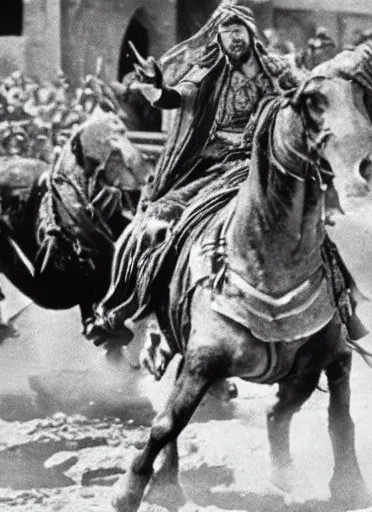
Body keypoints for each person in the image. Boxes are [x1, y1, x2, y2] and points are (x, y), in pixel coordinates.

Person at [84, 0, 300, 344]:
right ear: (218, 37)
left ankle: (340, 309)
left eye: (238, 29)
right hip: (214, 169)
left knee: (311, 229)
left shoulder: (278, 72)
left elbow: (308, 99)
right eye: (226, 31)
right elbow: (174, 98)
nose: (233, 37)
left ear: (250, 32)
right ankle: (121, 306)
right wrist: (156, 85)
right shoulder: (209, 72)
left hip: (269, 167)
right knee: (156, 220)